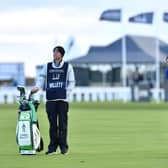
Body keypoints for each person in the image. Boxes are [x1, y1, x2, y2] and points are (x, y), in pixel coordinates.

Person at [31, 46, 75, 155]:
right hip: (50, 100)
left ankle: (64, 148)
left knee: (63, 125)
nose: (54, 54)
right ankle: (52, 148)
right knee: (52, 125)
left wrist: (66, 93)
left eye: (57, 52)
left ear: (61, 54)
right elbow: (41, 78)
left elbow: (72, 82)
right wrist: (37, 87)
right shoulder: (47, 66)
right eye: (54, 52)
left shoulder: (68, 66)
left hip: (63, 100)